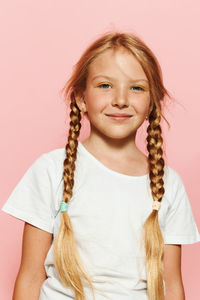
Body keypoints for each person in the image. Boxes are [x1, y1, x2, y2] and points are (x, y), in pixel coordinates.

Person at [2, 31, 200, 300]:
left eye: (137, 88)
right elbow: (30, 277)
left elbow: (172, 285)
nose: (120, 99)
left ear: (152, 103)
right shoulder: (50, 171)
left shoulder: (168, 184)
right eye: (105, 85)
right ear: (82, 97)